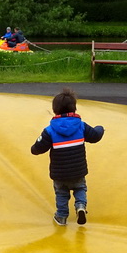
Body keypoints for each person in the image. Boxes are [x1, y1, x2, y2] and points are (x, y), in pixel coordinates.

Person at [30, 87, 105, 226]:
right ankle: (81, 206)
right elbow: (95, 136)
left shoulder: (50, 130)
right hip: (78, 170)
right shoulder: (81, 126)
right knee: (80, 188)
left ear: (55, 110)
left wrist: (33, 149)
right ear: (74, 109)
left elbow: (38, 148)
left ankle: (62, 216)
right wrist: (100, 129)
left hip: (60, 173)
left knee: (61, 193)